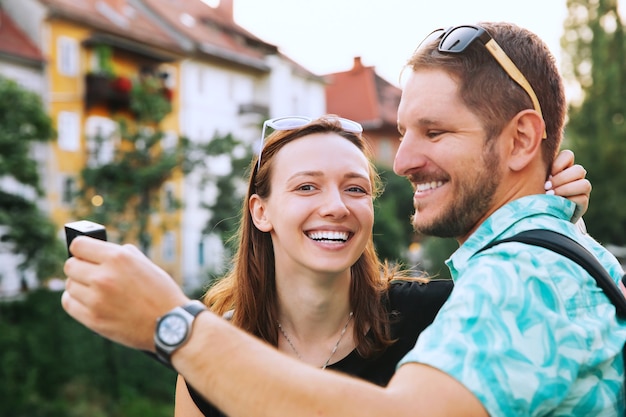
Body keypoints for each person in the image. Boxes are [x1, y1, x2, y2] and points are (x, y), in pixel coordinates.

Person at [60, 21, 624, 416]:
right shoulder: (533, 262)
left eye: (435, 131)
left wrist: (173, 326)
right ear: (261, 212)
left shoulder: (510, 280)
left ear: (521, 138)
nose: (401, 161)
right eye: (404, 133)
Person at [174, 116, 588, 416]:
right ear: (261, 212)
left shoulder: (437, 317)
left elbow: (567, 313)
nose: (336, 207)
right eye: (306, 187)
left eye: (355, 188)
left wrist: (553, 218)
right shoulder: (210, 352)